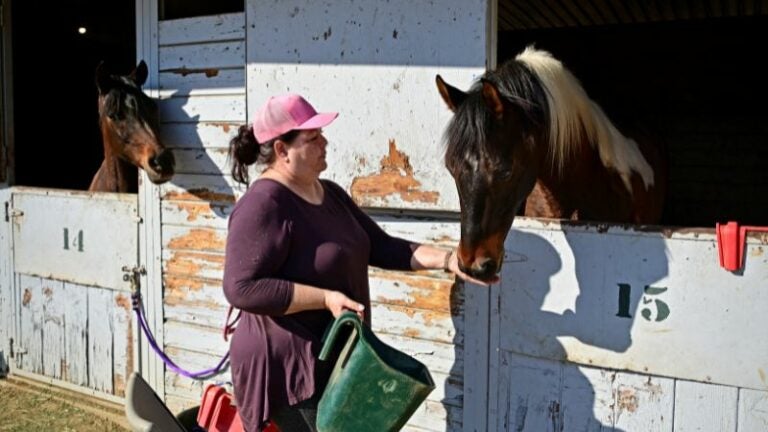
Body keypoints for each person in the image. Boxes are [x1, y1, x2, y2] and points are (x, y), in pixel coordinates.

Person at [223, 93, 494, 432]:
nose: (325, 143)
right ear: (282, 151)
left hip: (335, 356)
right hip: (289, 366)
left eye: (321, 134)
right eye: (313, 138)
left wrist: (449, 259)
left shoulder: (330, 193)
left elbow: (381, 247)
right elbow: (241, 288)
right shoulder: (263, 204)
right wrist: (324, 298)